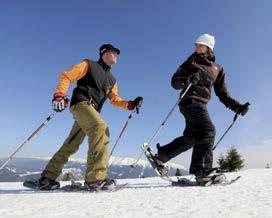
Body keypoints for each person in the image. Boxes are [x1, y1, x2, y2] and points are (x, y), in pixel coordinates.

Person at [25, 44, 143, 190]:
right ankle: (95, 179)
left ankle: (47, 178)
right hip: (81, 103)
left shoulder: (112, 80)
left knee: (71, 144)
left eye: (117, 53)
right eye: (113, 52)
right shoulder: (89, 64)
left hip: (91, 112)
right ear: (103, 53)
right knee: (100, 127)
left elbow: (115, 100)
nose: (116, 55)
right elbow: (67, 76)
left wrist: (130, 104)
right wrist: (59, 95)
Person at [154, 34, 249, 185]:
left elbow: (223, 94)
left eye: (201, 45)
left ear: (209, 48)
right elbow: (174, 82)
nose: (197, 47)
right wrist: (187, 80)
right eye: (196, 45)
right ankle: (202, 171)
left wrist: (237, 107)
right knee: (208, 131)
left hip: (201, 104)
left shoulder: (217, 68)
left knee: (192, 138)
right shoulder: (191, 62)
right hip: (190, 101)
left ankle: (162, 155)